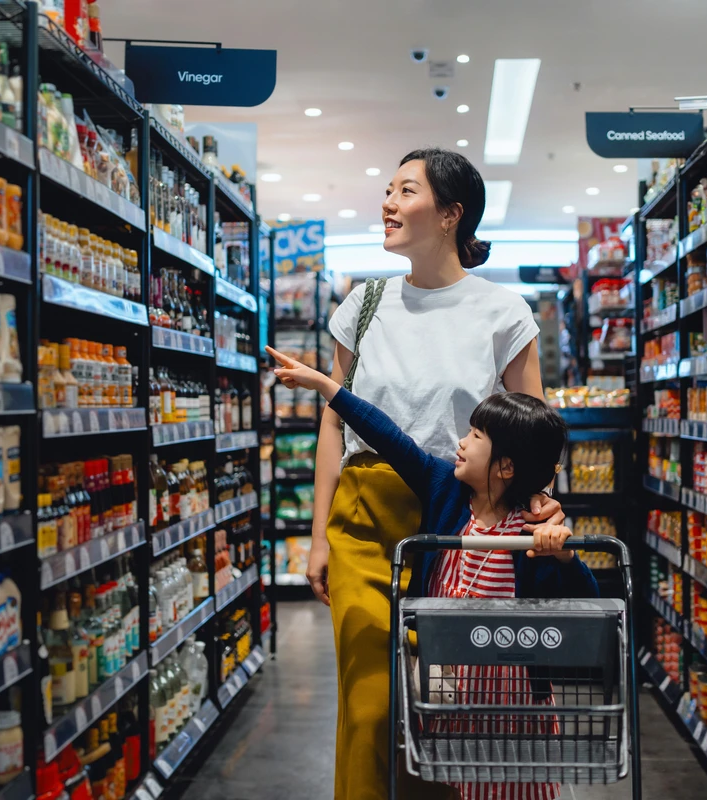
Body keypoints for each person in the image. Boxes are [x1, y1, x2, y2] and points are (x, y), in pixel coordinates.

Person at [309, 147, 564, 800]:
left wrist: (541, 511)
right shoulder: (362, 307)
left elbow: (532, 427)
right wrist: (317, 535)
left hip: (461, 526)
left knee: (447, 705)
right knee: (370, 709)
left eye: (406, 191)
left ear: (451, 214)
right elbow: (335, 423)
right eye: (387, 189)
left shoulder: (502, 313)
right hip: (363, 522)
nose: (388, 202)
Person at [270, 345, 598, 800]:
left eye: (476, 436)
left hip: (512, 706)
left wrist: (562, 556)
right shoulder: (444, 488)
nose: (460, 442)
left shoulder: (530, 528)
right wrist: (328, 387)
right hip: (453, 696)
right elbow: (390, 437)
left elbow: (584, 600)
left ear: (505, 466)